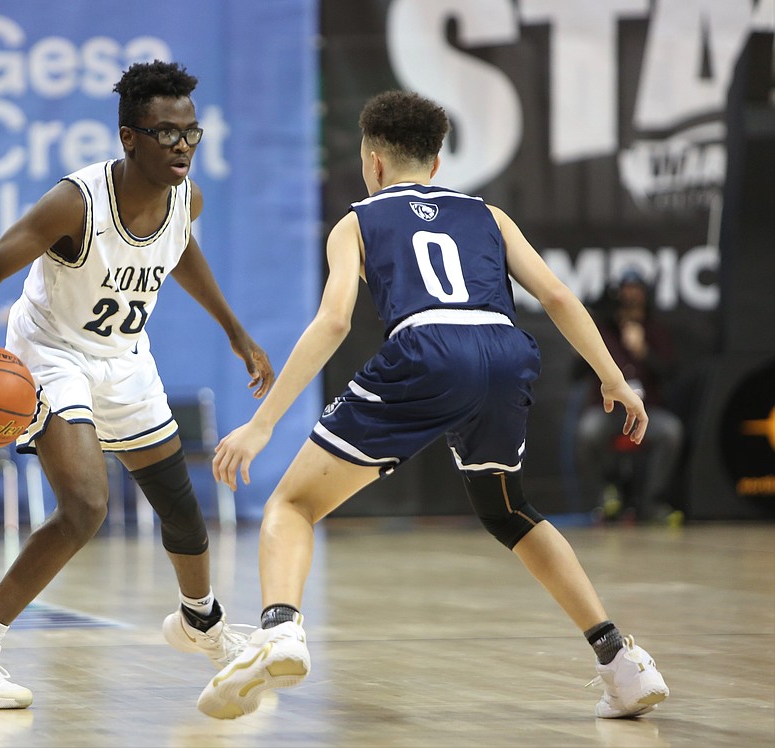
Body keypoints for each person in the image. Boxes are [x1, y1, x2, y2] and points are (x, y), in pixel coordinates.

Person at [197, 90, 669, 721]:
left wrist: (261, 424)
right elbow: (556, 295)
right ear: (438, 162)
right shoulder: (488, 215)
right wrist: (612, 376)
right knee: (510, 511)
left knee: (293, 503)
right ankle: (622, 664)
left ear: (372, 162)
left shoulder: (358, 221)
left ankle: (280, 631)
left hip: (427, 349)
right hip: (504, 351)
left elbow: (334, 320)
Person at [0, 60, 275, 710]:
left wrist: (233, 327)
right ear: (129, 137)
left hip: (124, 357)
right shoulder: (76, 202)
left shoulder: (185, 198)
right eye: (166, 133)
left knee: (182, 512)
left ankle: (203, 622)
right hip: (53, 353)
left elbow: (179, 250)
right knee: (85, 507)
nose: (181, 146)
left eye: (191, 133)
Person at [576, 271, 685, 524]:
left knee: (671, 431)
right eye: (626, 296)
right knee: (588, 430)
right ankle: (608, 494)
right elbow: (575, 373)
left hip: (646, 412)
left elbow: (671, 373)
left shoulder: (655, 330)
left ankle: (651, 502)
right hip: (609, 411)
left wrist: (643, 350)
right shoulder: (603, 332)